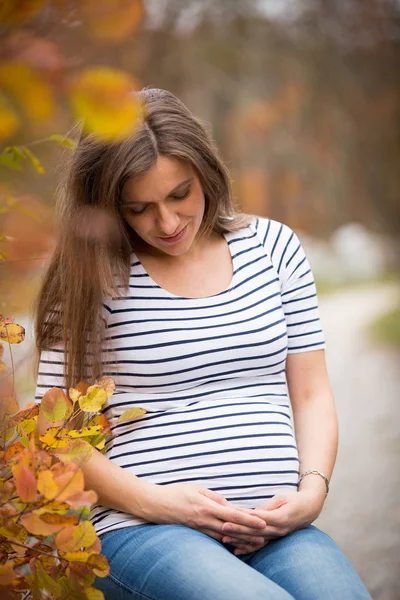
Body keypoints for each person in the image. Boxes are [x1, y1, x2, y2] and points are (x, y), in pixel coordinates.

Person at [35, 88, 371, 600]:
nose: (166, 224)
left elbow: (311, 394)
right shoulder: (89, 275)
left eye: (179, 195)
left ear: (207, 173)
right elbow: (56, 435)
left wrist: (312, 490)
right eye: (139, 208)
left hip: (273, 528)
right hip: (143, 531)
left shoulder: (273, 248)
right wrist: (162, 504)